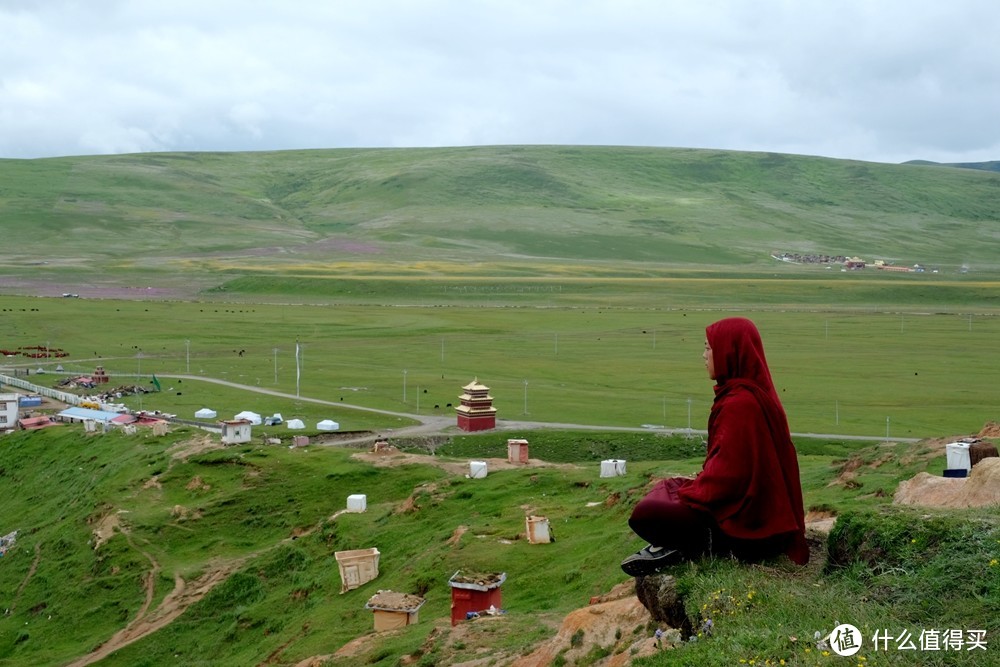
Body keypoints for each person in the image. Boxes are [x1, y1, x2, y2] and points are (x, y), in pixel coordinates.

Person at [621, 317, 809, 576]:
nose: (704, 355)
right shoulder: (748, 394)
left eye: (709, 348)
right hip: (759, 515)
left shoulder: (740, 405)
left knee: (647, 512)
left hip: (749, 528)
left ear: (729, 351)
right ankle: (682, 543)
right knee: (668, 486)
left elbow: (728, 479)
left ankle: (698, 544)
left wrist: (695, 492)